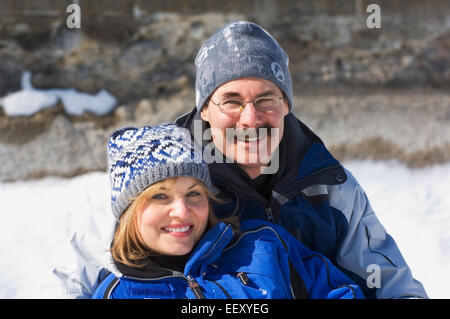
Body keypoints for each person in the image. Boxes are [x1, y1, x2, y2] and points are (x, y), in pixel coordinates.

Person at [49, 21, 427, 299]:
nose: (250, 118)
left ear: (286, 107)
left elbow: (393, 287)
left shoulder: (327, 185)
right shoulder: (160, 172)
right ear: (205, 110)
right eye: (231, 100)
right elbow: (71, 277)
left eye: (267, 99)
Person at [91, 123, 364, 299]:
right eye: (160, 196)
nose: (182, 211)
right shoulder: (117, 293)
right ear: (129, 211)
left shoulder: (264, 245)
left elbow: (339, 291)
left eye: (194, 194)